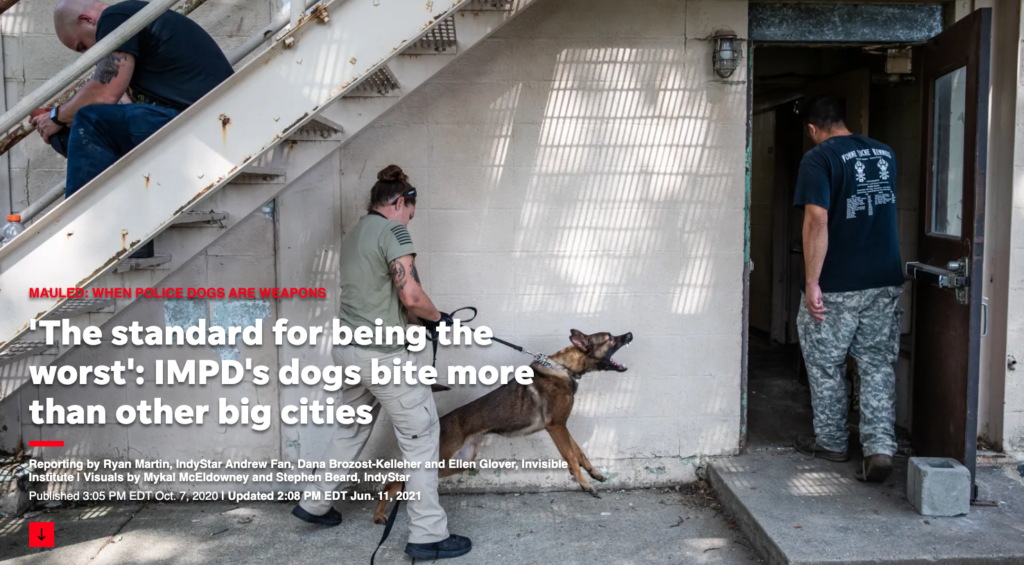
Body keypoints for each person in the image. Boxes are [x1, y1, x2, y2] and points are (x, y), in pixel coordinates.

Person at [291, 165, 472, 560]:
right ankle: (428, 536)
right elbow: (410, 295)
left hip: (349, 352)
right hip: (382, 357)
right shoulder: (393, 231)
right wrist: (439, 318)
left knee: (350, 430)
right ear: (398, 202)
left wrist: (422, 322)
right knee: (423, 437)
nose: (410, 218)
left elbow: (382, 298)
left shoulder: (356, 233)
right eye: (410, 210)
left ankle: (315, 504)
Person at [30, 0, 233, 256]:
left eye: (81, 46)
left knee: (92, 119)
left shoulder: (114, 17)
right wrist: (57, 124)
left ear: (87, 20)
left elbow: (104, 93)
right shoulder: (133, 29)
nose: (87, 54)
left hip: (200, 119)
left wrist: (57, 116)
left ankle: (82, 232)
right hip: (197, 119)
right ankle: (130, 242)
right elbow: (114, 99)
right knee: (77, 135)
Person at [792, 96, 904, 483]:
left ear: (812, 129)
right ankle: (879, 448)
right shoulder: (885, 154)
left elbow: (817, 221)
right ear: (844, 120)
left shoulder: (819, 158)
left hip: (838, 283)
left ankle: (833, 443)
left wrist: (812, 282)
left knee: (825, 363)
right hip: (884, 280)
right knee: (876, 364)